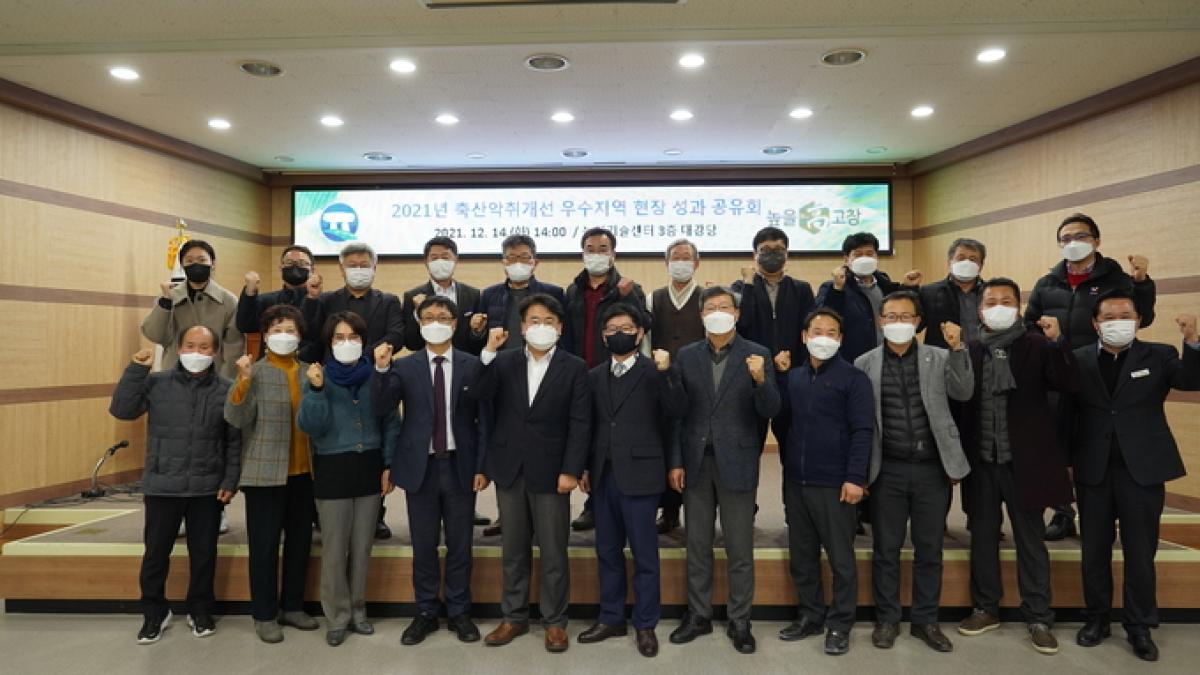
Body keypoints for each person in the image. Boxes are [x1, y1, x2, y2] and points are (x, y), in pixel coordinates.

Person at [1070, 291, 1198, 662]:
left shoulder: (1159, 355)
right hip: (1093, 468)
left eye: (1125, 315)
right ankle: (1096, 619)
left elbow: (1191, 380)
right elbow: (1066, 411)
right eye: (1108, 317)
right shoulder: (1078, 358)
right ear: (1095, 323)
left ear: (1139, 320)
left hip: (1142, 469)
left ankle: (1139, 626)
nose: (1117, 322)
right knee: (1094, 550)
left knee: (1141, 552)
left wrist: (1193, 341)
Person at [955, 279, 1080, 656]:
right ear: (980, 311)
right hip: (982, 462)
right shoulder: (970, 349)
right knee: (983, 538)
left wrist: (1059, 342)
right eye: (991, 301)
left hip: (1026, 461)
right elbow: (961, 404)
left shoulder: (1038, 345)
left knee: (1030, 540)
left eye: (1006, 300)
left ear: (1018, 307)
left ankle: (1039, 616)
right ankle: (985, 608)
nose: (998, 306)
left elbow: (1069, 383)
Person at [1025, 213, 1157, 542]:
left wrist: (1141, 282)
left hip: (1100, 373)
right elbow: (1029, 325)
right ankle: (1063, 513)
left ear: (1096, 241)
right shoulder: (1047, 283)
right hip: (1057, 375)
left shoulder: (1116, 278)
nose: (1073, 243)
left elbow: (1143, 317)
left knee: (1096, 441)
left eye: (1081, 236)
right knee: (1058, 445)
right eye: (1066, 238)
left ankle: (1100, 515)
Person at [853, 290, 971, 654]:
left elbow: (964, 392)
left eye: (906, 316)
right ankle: (887, 619)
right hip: (886, 469)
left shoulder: (940, 356)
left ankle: (925, 621)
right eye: (891, 316)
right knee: (886, 549)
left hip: (931, 469)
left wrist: (958, 348)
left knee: (929, 549)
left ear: (918, 322)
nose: (898, 322)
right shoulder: (864, 363)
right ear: (880, 321)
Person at [471, 293, 590, 653]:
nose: (541, 327)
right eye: (534, 321)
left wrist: (571, 470)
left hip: (553, 472)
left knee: (554, 551)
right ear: (522, 327)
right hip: (510, 468)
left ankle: (555, 622)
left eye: (549, 321)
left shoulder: (574, 367)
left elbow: (580, 423)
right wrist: (487, 352)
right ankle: (514, 617)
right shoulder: (503, 361)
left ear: (560, 328)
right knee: (513, 550)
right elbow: (478, 396)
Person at [110, 325, 240, 645]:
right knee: (156, 554)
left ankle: (200, 609)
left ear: (215, 352)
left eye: (204, 347)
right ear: (179, 349)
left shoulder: (227, 388)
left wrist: (230, 480)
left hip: (207, 487)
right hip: (162, 485)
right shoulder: (156, 383)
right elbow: (122, 410)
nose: (197, 353)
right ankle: (154, 612)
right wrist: (136, 370)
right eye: (190, 345)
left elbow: (234, 441)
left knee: (204, 554)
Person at [668, 286, 780, 655]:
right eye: (711, 307)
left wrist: (761, 379)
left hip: (739, 461)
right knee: (697, 544)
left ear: (737, 313)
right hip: (696, 463)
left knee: (739, 547)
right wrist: (676, 461)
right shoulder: (687, 356)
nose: (718, 312)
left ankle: (740, 620)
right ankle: (698, 615)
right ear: (701, 316)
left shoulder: (757, 354)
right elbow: (678, 415)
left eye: (725, 306)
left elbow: (770, 410)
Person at [373, 297, 489, 646]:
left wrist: (482, 466)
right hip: (419, 468)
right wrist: (381, 370)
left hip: (459, 466)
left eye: (442, 317)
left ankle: (459, 611)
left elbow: (484, 420)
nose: (435, 322)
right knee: (423, 545)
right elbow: (382, 407)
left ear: (454, 324)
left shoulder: (472, 364)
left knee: (460, 544)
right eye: (428, 317)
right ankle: (425, 611)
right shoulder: (404, 366)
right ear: (419, 324)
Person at [577, 304, 684, 658]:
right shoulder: (594, 375)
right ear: (603, 336)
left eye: (625, 327)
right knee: (607, 550)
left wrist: (668, 373)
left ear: (640, 333)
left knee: (644, 554)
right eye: (611, 329)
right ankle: (611, 617)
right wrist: (584, 467)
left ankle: (645, 623)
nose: (618, 333)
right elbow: (589, 425)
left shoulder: (655, 371)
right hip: (603, 475)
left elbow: (677, 412)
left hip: (642, 474)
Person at [772, 308, 873, 656]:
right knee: (802, 556)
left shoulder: (854, 379)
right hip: (796, 482)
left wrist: (855, 477)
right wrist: (780, 378)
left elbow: (863, 431)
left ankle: (840, 623)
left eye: (832, 333)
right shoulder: (795, 378)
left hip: (836, 484)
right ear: (804, 336)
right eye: (817, 331)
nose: (823, 338)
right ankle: (810, 615)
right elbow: (782, 424)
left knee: (841, 559)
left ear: (840, 339)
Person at [297, 311, 396, 647]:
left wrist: (389, 464)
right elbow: (311, 426)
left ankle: (358, 610)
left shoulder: (377, 374)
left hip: (369, 466)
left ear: (363, 341)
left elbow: (390, 422)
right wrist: (316, 390)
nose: (346, 343)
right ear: (329, 342)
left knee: (362, 546)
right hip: (332, 468)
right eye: (339, 337)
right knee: (335, 548)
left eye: (353, 337)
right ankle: (337, 616)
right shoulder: (318, 375)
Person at [223, 304, 319, 643]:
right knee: (263, 547)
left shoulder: (310, 371)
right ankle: (264, 614)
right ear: (265, 336)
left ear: (300, 336)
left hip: (305, 472)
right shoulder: (255, 371)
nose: (284, 336)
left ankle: (293, 606)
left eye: (290, 330)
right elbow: (235, 418)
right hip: (264, 474)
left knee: (300, 544)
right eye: (277, 330)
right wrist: (243, 381)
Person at [308, 242, 404, 539]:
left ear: (375, 267)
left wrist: (363, 355)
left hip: (373, 375)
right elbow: (313, 333)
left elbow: (396, 334)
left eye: (364, 265)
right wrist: (311, 299)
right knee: (334, 442)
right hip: (334, 379)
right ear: (341, 268)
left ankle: (376, 516)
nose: (358, 270)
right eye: (352, 265)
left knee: (373, 442)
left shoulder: (388, 301)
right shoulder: (327, 300)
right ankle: (324, 514)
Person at [476, 234, 566, 537]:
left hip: (544, 371)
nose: (518, 263)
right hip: (505, 376)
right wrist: (476, 332)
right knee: (506, 442)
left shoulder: (553, 293)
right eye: (512, 258)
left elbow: (566, 336)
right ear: (503, 262)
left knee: (543, 440)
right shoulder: (489, 295)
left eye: (524, 257)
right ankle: (508, 515)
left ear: (535, 261)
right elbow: (478, 340)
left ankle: (540, 516)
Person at [562, 227, 649, 531]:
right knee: (584, 434)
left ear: (613, 254)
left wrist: (628, 297)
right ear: (582, 253)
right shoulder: (573, 290)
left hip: (613, 373)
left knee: (610, 437)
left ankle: (609, 502)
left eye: (603, 249)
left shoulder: (629, 288)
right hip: (580, 372)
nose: (596, 254)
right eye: (590, 249)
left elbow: (644, 324)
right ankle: (592, 502)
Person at [642, 238, 705, 535]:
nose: (681, 262)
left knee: (695, 445)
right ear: (666, 263)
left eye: (686, 257)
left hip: (699, 383)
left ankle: (699, 511)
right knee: (667, 446)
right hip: (664, 383)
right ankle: (669, 510)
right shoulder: (653, 298)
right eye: (675, 257)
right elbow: (645, 341)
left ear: (696, 263)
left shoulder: (706, 298)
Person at [141, 239, 243, 379]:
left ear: (213, 264)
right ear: (182, 265)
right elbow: (155, 335)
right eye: (189, 261)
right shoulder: (169, 296)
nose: (196, 265)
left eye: (202, 260)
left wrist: (225, 383)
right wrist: (165, 303)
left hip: (213, 379)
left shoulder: (228, 301)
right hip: (174, 377)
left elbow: (234, 349)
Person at [815, 231, 921, 364]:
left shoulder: (885, 285)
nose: (864, 258)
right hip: (850, 361)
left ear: (876, 257)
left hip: (887, 359)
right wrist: (837, 290)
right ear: (846, 260)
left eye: (869, 254)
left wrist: (908, 288)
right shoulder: (832, 287)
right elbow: (823, 318)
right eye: (858, 254)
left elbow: (908, 315)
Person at [401, 236, 487, 355]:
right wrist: (418, 313)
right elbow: (411, 343)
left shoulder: (473, 295)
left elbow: (478, 343)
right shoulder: (412, 296)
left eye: (445, 257)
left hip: (465, 361)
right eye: (434, 258)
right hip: (427, 362)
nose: (440, 262)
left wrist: (477, 332)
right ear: (426, 262)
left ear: (455, 259)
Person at [237, 244, 322, 359]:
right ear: (280, 268)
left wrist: (312, 299)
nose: (295, 267)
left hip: (309, 365)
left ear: (312, 270)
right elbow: (245, 326)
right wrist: (250, 292)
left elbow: (314, 334)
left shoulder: (323, 301)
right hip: (269, 365)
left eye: (302, 263)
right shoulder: (266, 300)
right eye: (289, 263)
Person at [919, 238, 987, 349]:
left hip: (984, 357)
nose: (966, 263)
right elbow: (915, 326)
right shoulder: (929, 293)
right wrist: (909, 289)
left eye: (973, 259)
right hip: (943, 357)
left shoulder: (991, 293)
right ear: (950, 261)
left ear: (981, 265)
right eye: (961, 258)